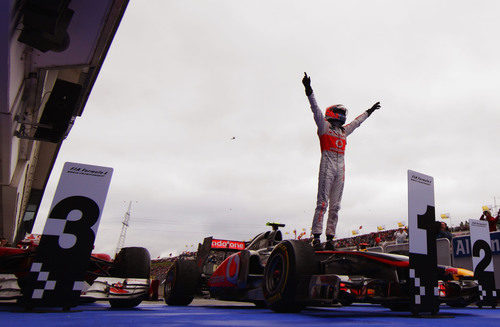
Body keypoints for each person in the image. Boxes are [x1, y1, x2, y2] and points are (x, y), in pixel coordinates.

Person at [302, 73, 381, 250]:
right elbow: (315, 109)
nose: (342, 116)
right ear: (332, 113)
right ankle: (316, 236)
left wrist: (369, 111)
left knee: (336, 205)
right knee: (322, 202)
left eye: (343, 113)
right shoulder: (324, 126)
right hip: (327, 164)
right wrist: (309, 90)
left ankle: (330, 237)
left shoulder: (344, 131)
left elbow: (357, 122)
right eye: (339, 113)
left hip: (341, 167)